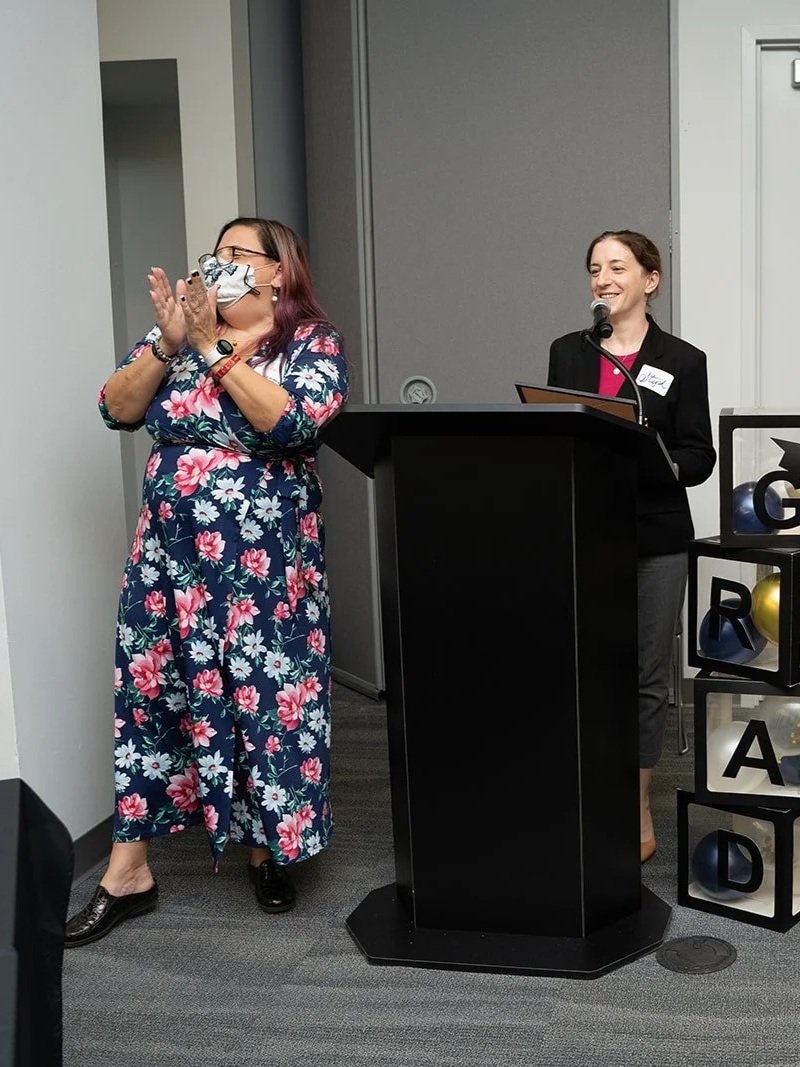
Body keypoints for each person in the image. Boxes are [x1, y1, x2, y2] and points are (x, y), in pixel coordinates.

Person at [65, 218, 349, 946]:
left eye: (236, 254)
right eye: (214, 253)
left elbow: (293, 425)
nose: (218, 265)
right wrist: (167, 345)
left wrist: (211, 350)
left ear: (278, 273)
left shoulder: (309, 343)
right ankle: (129, 870)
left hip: (265, 570)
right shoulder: (176, 337)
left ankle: (267, 850)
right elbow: (115, 407)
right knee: (154, 690)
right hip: (168, 562)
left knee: (264, 700)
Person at [548, 230, 715, 863]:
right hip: (582, 532)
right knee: (589, 666)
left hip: (654, 535)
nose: (602, 278)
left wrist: (661, 456)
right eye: (594, 268)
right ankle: (587, 786)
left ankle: (636, 799)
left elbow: (700, 453)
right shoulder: (568, 352)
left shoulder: (681, 359)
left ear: (651, 279)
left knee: (646, 674)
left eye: (617, 267)